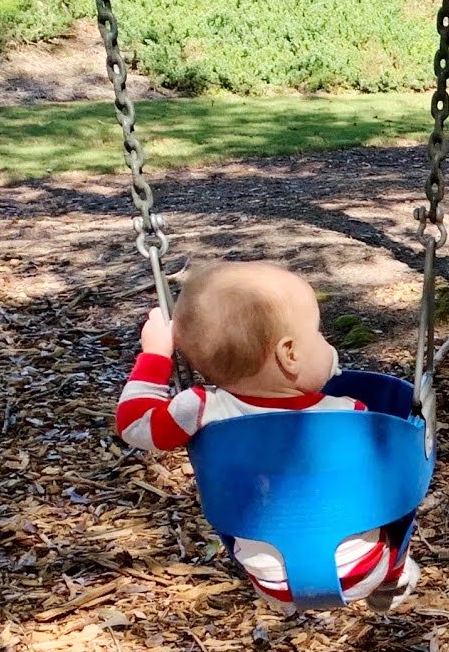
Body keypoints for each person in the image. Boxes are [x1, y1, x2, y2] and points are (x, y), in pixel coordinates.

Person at [115, 260, 417, 612]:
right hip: (362, 570)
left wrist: (155, 356)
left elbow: (134, 425)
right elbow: (388, 483)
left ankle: (297, 589)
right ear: (290, 355)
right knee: (393, 509)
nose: (326, 343)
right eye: (318, 333)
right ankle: (393, 577)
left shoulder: (200, 408)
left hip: (270, 581)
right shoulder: (350, 413)